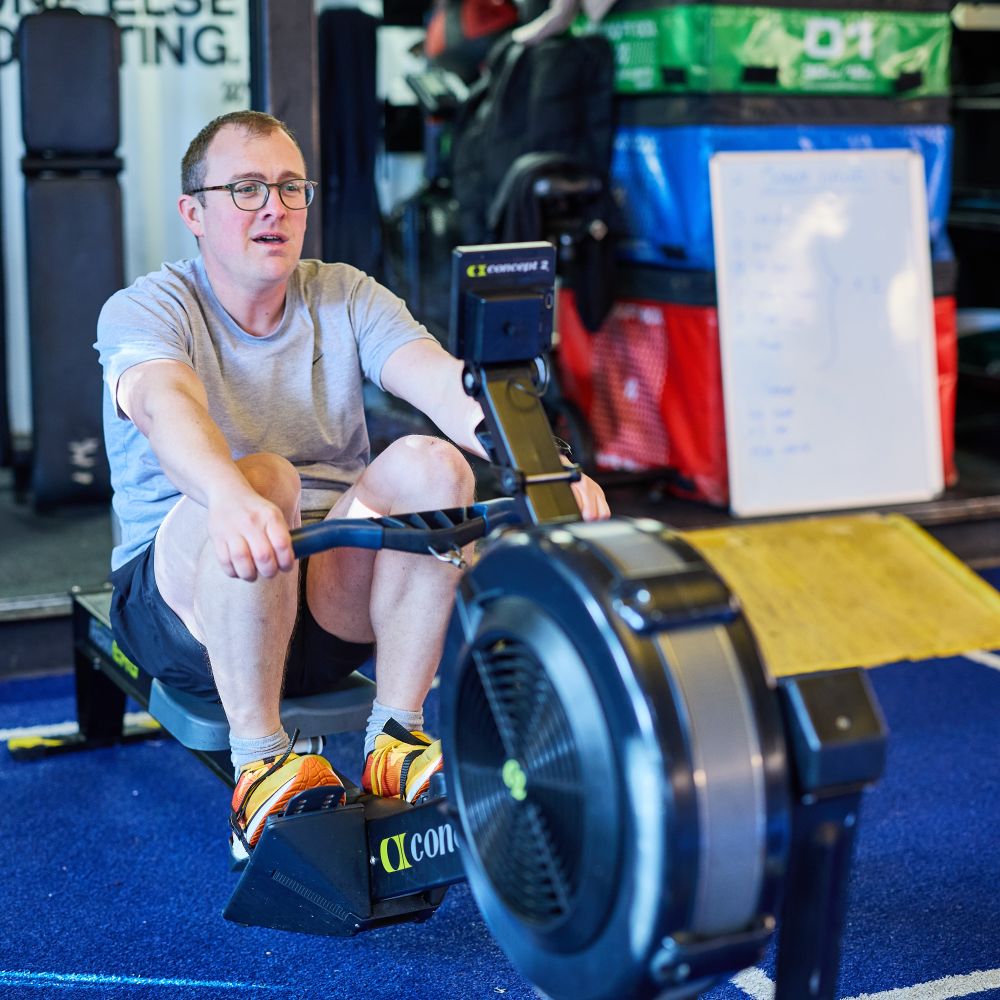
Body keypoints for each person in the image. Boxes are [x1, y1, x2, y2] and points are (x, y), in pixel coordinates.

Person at [95, 110, 609, 863]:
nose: (272, 206)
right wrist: (231, 494)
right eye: (244, 188)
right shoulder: (149, 307)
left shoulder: (344, 294)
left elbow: (442, 383)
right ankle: (260, 765)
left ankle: (394, 736)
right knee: (263, 475)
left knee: (435, 464)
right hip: (186, 609)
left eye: (289, 188)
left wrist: (547, 464)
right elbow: (161, 405)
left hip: (320, 600)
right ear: (193, 213)